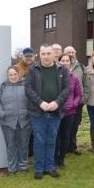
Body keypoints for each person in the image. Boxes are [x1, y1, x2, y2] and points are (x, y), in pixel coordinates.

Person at [25, 44, 70, 179]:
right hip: (37, 112)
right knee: (39, 140)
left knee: (51, 140)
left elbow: (67, 88)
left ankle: (50, 167)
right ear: (39, 54)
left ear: (53, 54)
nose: (46, 56)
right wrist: (41, 103)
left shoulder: (62, 69)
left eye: (48, 53)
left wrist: (56, 102)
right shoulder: (33, 69)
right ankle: (39, 168)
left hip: (56, 111)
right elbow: (28, 89)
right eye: (43, 54)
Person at [0, 66, 31, 175]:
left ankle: (23, 167)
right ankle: (12, 168)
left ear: (19, 74)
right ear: (7, 76)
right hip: (7, 122)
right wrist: (1, 114)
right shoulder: (2, 87)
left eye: (15, 74)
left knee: (23, 145)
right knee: (11, 145)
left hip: (25, 121)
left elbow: (33, 99)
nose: (13, 76)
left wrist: (29, 114)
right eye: (10, 75)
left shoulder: (26, 85)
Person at [54, 54, 82, 168]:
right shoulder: (55, 76)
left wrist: (73, 105)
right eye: (63, 60)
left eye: (67, 60)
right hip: (56, 111)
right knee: (56, 136)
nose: (65, 62)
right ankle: (55, 158)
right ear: (59, 62)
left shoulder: (74, 77)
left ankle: (61, 159)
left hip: (69, 112)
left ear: (70, 63)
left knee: (66, 136)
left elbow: (78, 94)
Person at [64, 46, 90, 155]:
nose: (70, 53)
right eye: (68, 52)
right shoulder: (60, 66)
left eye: (72, 52)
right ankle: (63, 147)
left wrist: (83, 100)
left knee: (74, 125)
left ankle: (72, 147)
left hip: (78, 103)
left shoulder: (82, 67)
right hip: (63, 104)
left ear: (75, 53)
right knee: (64, 126)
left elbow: (86, 85)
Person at [15, 47, 36, 157]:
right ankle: (24, 153)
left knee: (34, 129)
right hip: (22, 103)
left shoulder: (38, 67)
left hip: (35, 103)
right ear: (22, 57)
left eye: (30, 56)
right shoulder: (17, 68)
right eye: (26, 56)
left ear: (34, 56)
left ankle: (31, 152)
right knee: (23, 129)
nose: (28, 58)